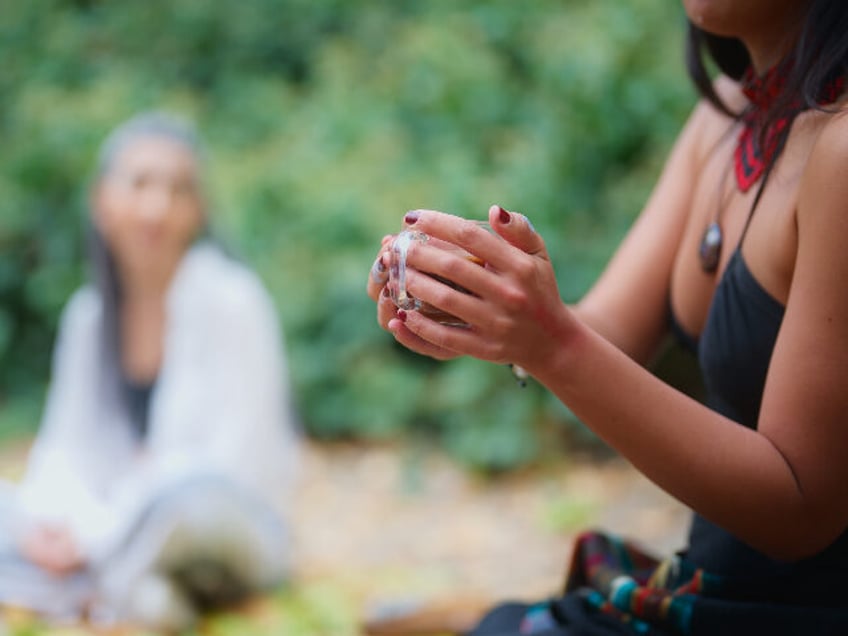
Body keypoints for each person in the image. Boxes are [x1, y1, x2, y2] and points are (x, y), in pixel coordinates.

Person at [367, 0, 848, 634]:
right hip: (703, 582)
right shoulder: (726, 118)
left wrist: (552, 343)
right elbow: (608, 330)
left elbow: (801, 510)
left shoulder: (840, 150)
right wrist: (484, 301)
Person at [0, 112, 300, 631]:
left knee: (185, 502)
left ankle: (102, 586)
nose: (157, 208)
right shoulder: (88, 317)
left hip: (214, 526)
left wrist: (97, 530)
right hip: (114, 534)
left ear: (199, 209)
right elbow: (62, 452)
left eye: (178, 190)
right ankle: (133, 594)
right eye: (140, 184)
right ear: (102, 201)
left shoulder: (235, 302)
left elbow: (238, 466)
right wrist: (56, 524)